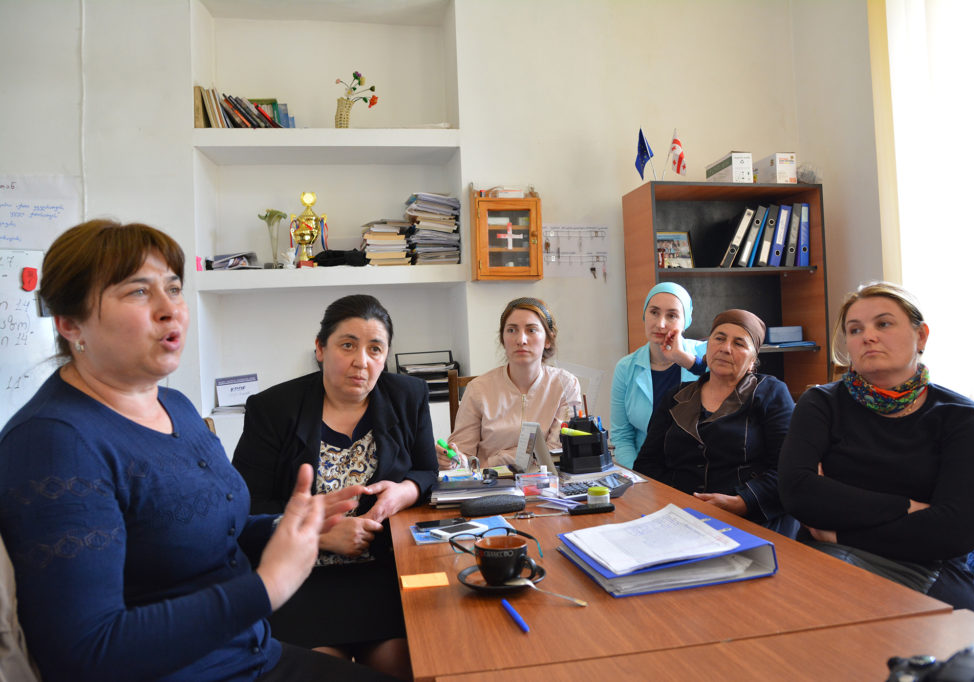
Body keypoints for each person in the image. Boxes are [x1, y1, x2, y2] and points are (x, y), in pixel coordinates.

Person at [0, 220, 391, 681]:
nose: (171, 310)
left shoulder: (175, 404)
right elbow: (86, 652)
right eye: (138, 292)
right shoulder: (55, 443)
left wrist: (293, 527)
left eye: (174, 288)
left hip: (249, 653)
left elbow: (213, 529)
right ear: (70, 323)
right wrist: (267, 587)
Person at [233, 294, 435, 680]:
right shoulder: (273, 409)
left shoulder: (408, 396)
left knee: (402, 662)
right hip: (303, 574)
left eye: (375, 349)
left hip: (382, 571)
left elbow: (428, 472)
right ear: (320, 348)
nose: (362, 361)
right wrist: (321, 535)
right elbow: (243, 509)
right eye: (348, 345)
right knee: (324, 668)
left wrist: (404, 491)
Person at [778, 282, 974, 611]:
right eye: (855, 329)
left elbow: (957, 530)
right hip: (825, 560)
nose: (868, 336)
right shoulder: (821, 402)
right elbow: (797, 492)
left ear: (921, 336)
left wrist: (839, 530)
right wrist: (907, 506)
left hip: (928, 569)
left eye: (884, 324)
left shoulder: (963, 417)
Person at [634, 309, 797, 536]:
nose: (725, 348)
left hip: (753, 520)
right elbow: (647, 464)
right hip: (680, 518)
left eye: (739, 343)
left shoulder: (770, 393)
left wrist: (744, 500)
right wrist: (676, 503)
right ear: (708, 346)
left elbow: (790, 469)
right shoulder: (675, 397)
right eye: (719, 338)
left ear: (753, 360)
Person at [438, 297, 582, 470]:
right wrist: (453, 459)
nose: (521, 339)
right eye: (512, 330)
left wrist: (497, 459)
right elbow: (464, 454)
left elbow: (557, 451)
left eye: (531, 330)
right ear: (502, 339)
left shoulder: (565, 384)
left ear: (548, 340)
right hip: (490, 485)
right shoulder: (478, 389)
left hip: (545, 484)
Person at [610, 283, 707, 468]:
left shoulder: (705, 354)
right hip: (643, 468)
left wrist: (682, 357)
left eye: (672, 315)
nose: (660, 324)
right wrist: (639, 475)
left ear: (685, 321)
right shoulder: (625, 367)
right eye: (654, 312)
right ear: (644, 315)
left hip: (697, 471)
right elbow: (622, 436)